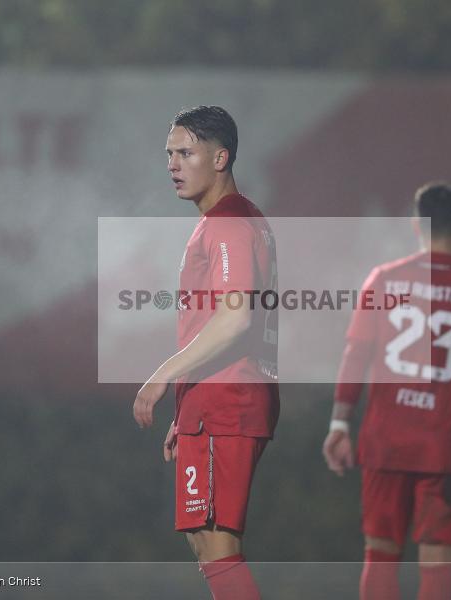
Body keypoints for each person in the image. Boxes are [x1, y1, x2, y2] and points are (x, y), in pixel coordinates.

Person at [323, 182, 451, 600]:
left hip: (386, 443)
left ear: (417, 225)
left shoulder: (384, 279)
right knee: (437, 564)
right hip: (445, 449)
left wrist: (340, 423)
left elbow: (355, 354)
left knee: (380, 555)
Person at [133, 105, 278, 600]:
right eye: (169, 154)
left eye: (186, 153)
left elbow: (236, 319)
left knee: (217, 547)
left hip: (228, 398)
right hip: (214, 399)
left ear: (221, 158)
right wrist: (186, 404)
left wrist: (162, 375)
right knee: (205, 542)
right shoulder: (234, 219)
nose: (173, 164)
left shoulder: (230, 222)